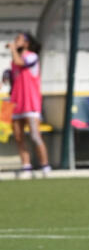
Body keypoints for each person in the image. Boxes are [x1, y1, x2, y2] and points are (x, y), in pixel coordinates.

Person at [8, 32, 48, 177]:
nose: (15, 41)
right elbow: (13, 74)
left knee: (35, 135)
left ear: (26, 43)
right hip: (16, 103)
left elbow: (21, 63)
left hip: (30, 103)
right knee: (18, 136)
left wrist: (13, 49)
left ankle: (45, 165)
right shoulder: (13, 61)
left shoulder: (32, 56)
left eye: (18, 39)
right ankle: (26, 165)